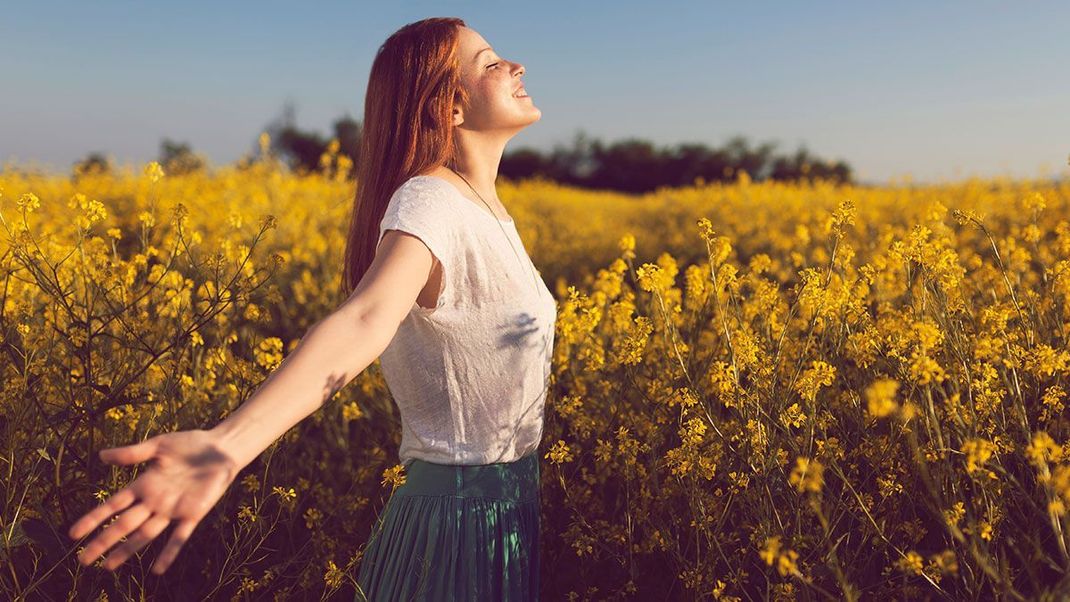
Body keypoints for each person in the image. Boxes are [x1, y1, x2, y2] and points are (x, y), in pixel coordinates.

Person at [66, 17, 553, 601]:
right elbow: (365, 318)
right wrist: (229, 445)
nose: (515, 66)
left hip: (508, 510)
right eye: (490, 62)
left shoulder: (487, 209)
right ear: (447, 107)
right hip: (455, 523)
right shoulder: (431, 200)